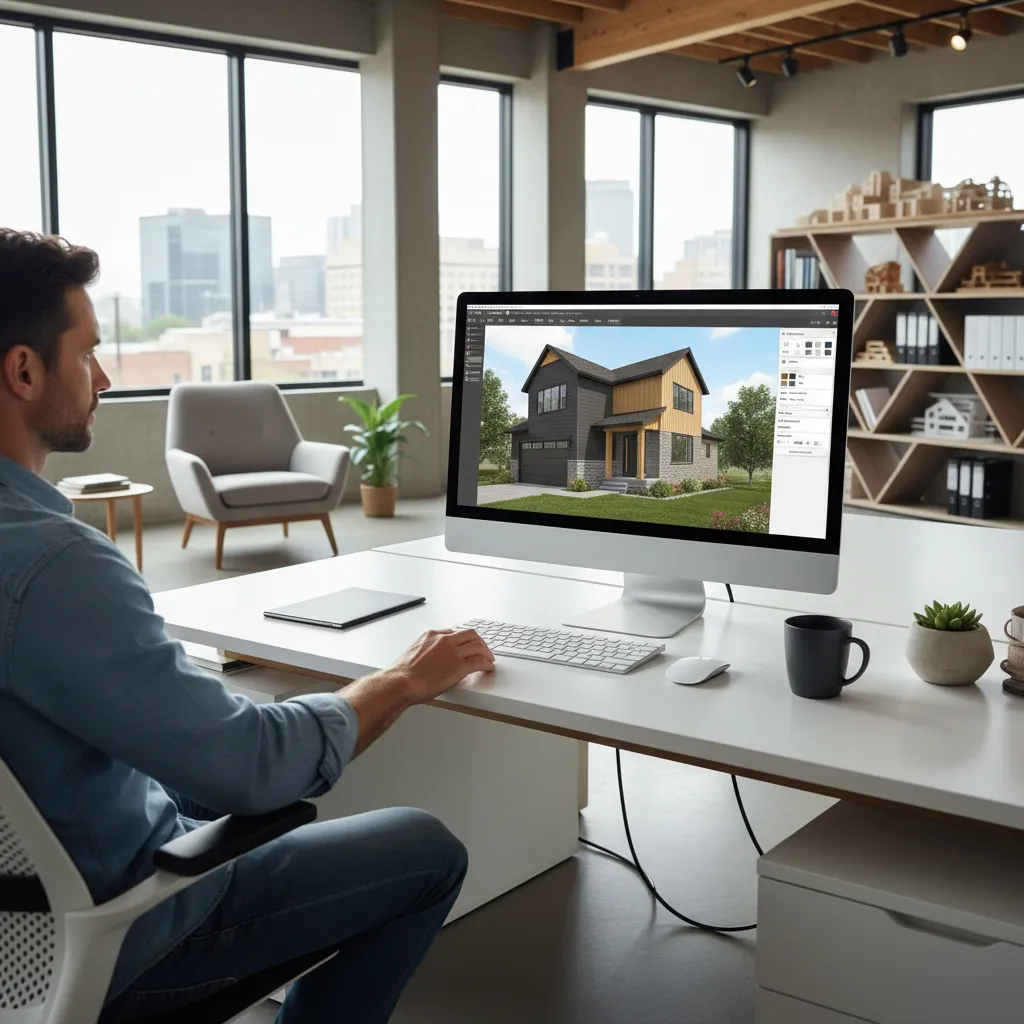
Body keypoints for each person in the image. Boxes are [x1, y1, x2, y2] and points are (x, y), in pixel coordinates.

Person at [0, 229, 495, 1022]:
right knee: (424, 847)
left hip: (15, 931)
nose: (99, 377)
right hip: (109, 939)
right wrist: (399, 682)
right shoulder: (54, 565)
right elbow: (252, 768)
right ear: (23, 371)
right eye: (87, 352)